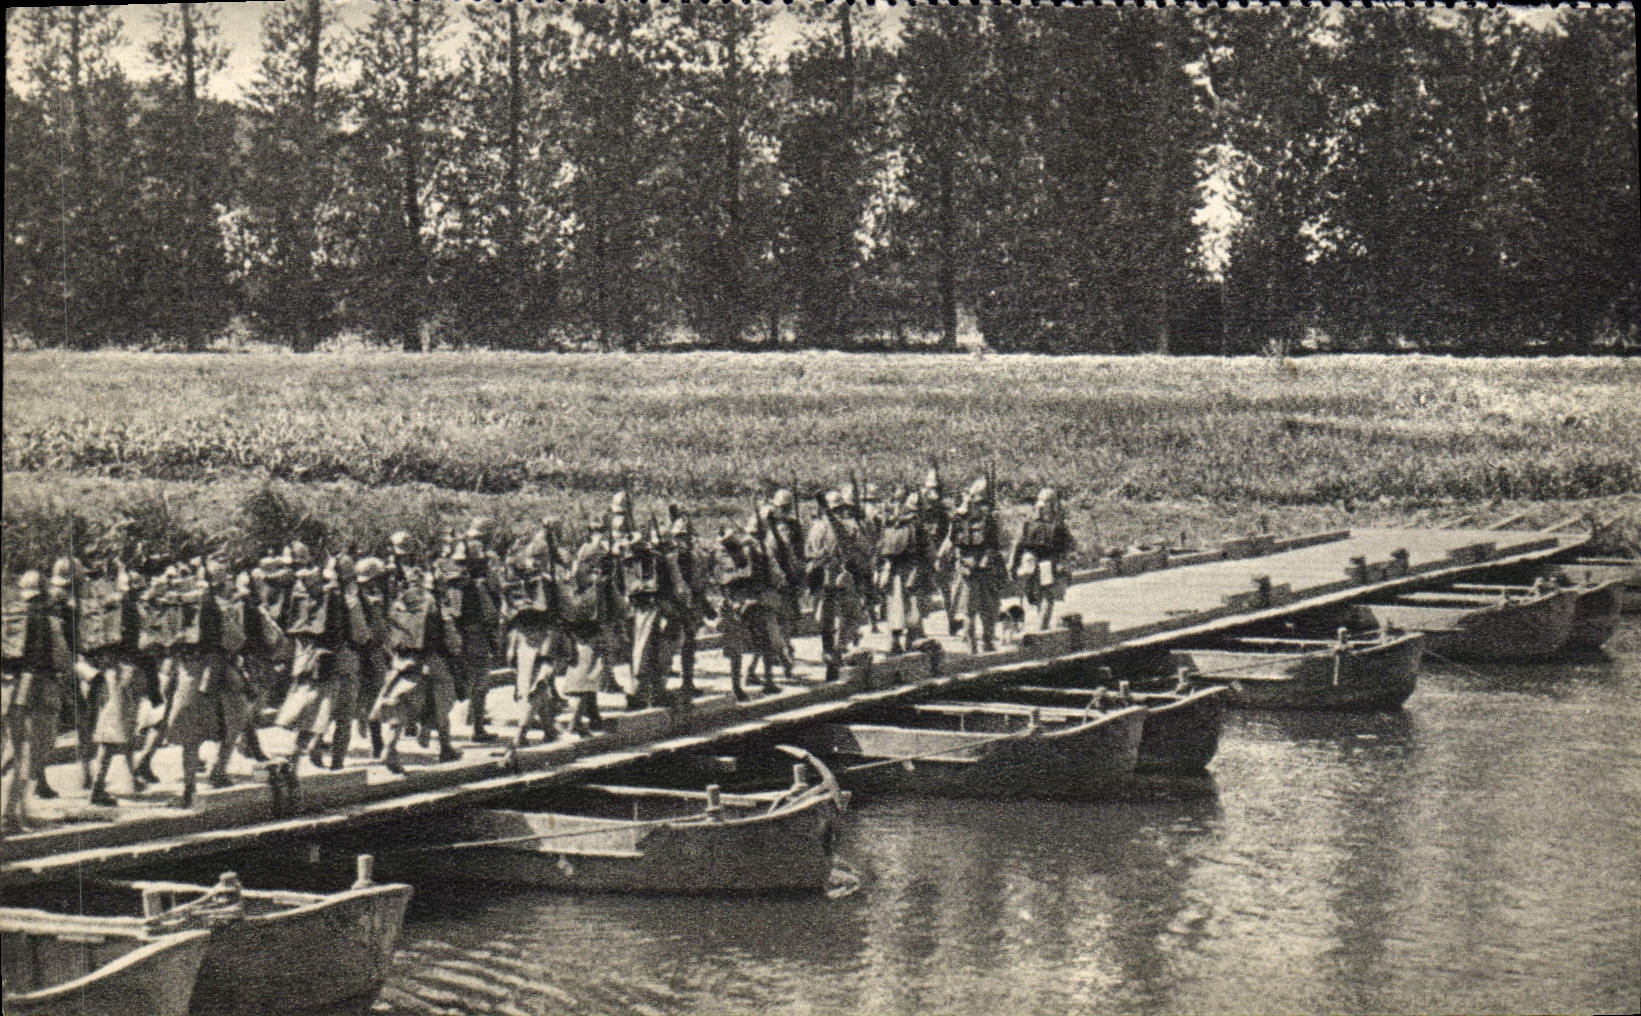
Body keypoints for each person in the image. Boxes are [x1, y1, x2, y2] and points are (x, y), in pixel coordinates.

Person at [162, 557, 250, 807]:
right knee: (233, 718)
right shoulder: (222, 605)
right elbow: (235, 640)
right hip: (214, 669)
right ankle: (217, 772)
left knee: (190, 734)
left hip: (188, 671)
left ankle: (191, 788)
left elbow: (168, 638)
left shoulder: (178, 600)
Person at [372, 562, 462, 772]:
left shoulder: (398, 602)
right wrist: (456, 648)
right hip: (429, 659)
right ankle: (442, 743)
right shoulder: (435, 603)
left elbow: (388, 631)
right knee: (445, 694)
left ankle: (390, 747)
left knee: (401, 705)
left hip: (401, 659)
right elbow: (451, 638)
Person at [81, 559, 156, 807]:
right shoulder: (131, 610)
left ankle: (128, 778)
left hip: (110, 671)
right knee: (114, 734)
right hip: (126, 673)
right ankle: (98, 788)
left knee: (118, 730)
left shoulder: (110, 608)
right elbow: (144, 644)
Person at [276, 555, 358, 774]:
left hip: (308, 663)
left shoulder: (301, 599)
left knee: (312, 711)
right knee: (343, 715)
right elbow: (358, 631)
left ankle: (298, 753)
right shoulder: (341, 597)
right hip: (339, 660)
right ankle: (336, 764)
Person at [2, 570, 71, 832]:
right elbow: (63, 659)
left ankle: (16, 813)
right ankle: (11, 816)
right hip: (38, 688)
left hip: (9, 687)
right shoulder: (50, 622)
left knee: (11, 751)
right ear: (44, 595)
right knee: (28, 753)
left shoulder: (8, 617)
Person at [713, 516, 784, 701]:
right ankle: (737, 686)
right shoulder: (722, 557)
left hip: (753, 602)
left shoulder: (751, 553)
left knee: (766, 641)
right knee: (736, 649)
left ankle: (767, 680)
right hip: (735, 604)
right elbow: (730, 579)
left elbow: (761, 575)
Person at [804, 490, 869, 682]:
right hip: (833, 578)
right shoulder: (833, 527)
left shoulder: (830, 527)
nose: (842, 512)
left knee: (840, 618)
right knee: (838, 619)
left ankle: (834, 652)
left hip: (834, 578)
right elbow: (864, 549)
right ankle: (834, 654)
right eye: (839, 509)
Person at [449, 519, 504, 742]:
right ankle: (478, 727)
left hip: (460, 635)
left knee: (466, 682)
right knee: (478, 682)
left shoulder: (453, 582)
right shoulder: (476, 585)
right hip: (475, 635)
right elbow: (493, 609)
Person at [942, 477, 1005, 653]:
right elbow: (954, 542)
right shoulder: (959, 520)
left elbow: (993, 544)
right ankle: (971, 642)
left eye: (980, 503)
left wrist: (986, 560)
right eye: (974, 502)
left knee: (989, 606)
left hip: (987, 565)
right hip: (967, 566)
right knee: (968, 608)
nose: (977, 506)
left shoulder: (989, 519)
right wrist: (960, 562)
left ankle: (987, 639)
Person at [1011, 487, 1077, 631]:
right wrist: (1013, 563)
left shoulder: (1055, 523)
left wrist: (1064, 561)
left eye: (1048, 502)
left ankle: (1042, 625)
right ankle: (1041, 622)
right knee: (1037, 588)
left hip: (1047, 559)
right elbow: (1019, 543)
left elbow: (1068, 545)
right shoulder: (1032, 521)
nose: (1045, 506)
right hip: (1035, 558)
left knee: (1045, 591)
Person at [661, 514, 711, 700]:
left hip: (689, 604)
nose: (681, 540)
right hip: (674, 605)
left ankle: (687, 682)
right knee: (669, 646)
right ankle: (663, 686)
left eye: (684, 536)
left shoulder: (694, 556)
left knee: (689, 644)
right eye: (679, 537)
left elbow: (699, 582)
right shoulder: (670, 556)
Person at [876, 491, 931, 654]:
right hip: (912, 568)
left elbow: (881, 548)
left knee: (895, 606)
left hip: (892, 569)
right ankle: (914, 638)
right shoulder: (918, 526)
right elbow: (925, 551)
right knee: (914, 604)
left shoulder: (891, 524)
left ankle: (894, 641)